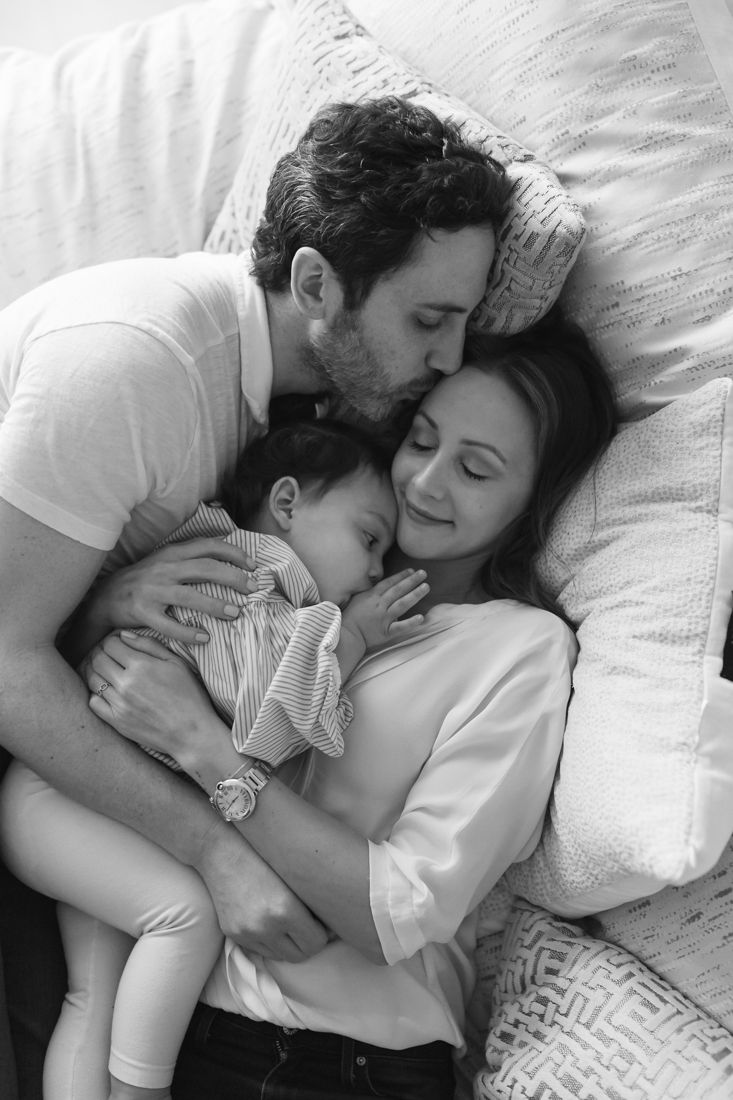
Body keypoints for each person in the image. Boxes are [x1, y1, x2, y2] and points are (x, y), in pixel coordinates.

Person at [0, 94, 511, 1099]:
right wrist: (217, 853)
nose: (448, 360)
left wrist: (104, 603)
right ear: (316, 282)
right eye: (427, 319)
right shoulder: (135, 364)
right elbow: (5, 661)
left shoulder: (305, 416)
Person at [17, 323, 615, 1100]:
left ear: (533, 501)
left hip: (336, 1064)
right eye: (422, 441)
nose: (424, 484)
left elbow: (398, 914)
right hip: (172, 1008)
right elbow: (90, 681)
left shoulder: (518, 651)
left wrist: (206, 748)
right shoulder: (292, 577)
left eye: (473, 470)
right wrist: (110, 605)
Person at [1, 418, 431, 1100]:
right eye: (369, 538)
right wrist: (348, 639)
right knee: (187, 916)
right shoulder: (252, 580)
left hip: (76, 802)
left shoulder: (228, 566)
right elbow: (265, 722)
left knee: (95, 999)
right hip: (64, 798)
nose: (377, 568)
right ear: (287, 504)